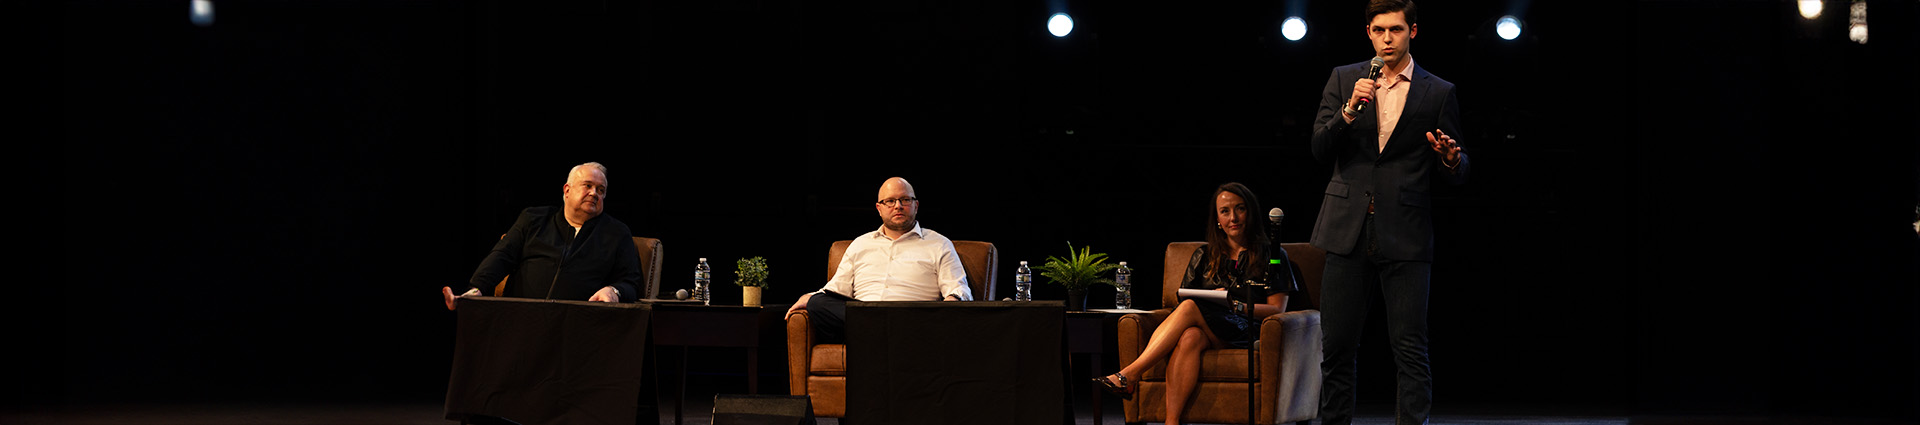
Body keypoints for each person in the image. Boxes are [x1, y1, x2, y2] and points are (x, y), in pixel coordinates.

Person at [1308, 1, 1469, 424]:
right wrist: (1348, 110)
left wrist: (1451, 158)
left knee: (1410, 349)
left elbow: (1459, 166)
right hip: (1347, 230)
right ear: (1368, 33)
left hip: (1406, 231)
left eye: (1396, 30)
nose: (1387, 39)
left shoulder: (1438, 91)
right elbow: (1319, 149)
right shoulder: (1346, 79)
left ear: (1412, 31)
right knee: (1338, 348)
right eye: (1379, 30)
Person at [1092, 182, 1297, 425]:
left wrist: (1234, 306)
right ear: (1217, 219)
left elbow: (1277, 309)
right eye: (1225, 211)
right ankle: (1172, 422)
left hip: (1246, 330)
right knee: (1189, 336)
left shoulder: (1272, 255)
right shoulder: (1203, 255)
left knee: (1189, 308)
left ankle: (1130, 373)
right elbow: (1184, 296)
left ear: (1250, 212)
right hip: (1210, 329)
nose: (1233, 217)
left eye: (1240, 209)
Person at [784, 177, 973, 343]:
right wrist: (811, 297)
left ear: (916, 205)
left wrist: (947, 305)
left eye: (905, 200)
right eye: (890, 201)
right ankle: (880, 334)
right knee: (818, 303)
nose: (898, 206)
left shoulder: (939, 244)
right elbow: (837, 288)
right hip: (865, 315)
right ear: (879, 208)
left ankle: (879, 336)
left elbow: (959, 289)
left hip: (912, 318)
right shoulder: (860, 244)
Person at [441, 162, 643, 310]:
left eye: (601, 190)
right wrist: (477, 289)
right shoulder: (533, 219)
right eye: (587, 185)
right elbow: (501, 258)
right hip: (521, 319)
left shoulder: (616, 233)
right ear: (567, 190)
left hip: (579, 327)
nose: (594, 193)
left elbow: (631, 283)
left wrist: (614, 291)